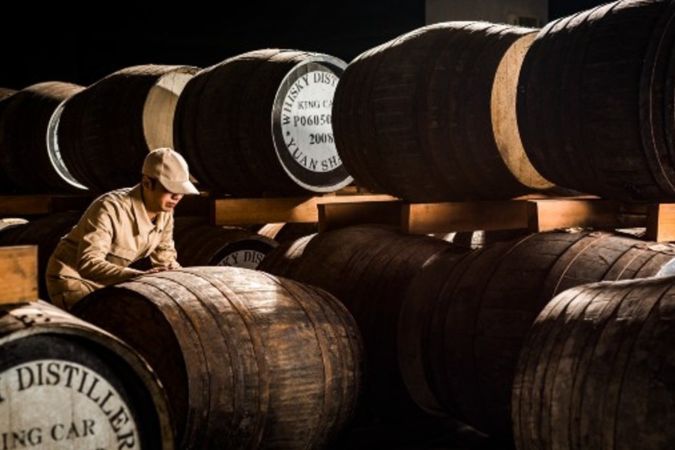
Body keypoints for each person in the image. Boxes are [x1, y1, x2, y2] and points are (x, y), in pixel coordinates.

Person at [46, 147, 199, 310]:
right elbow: (88, 263)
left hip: (109, 284)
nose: (177, 197)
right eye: (171, 190)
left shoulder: (165, 211)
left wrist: (184, 282)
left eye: (181, 191)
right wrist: (137, 277)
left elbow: (165, 257)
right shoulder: (109, 207)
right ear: (147, 183)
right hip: (73, 278)